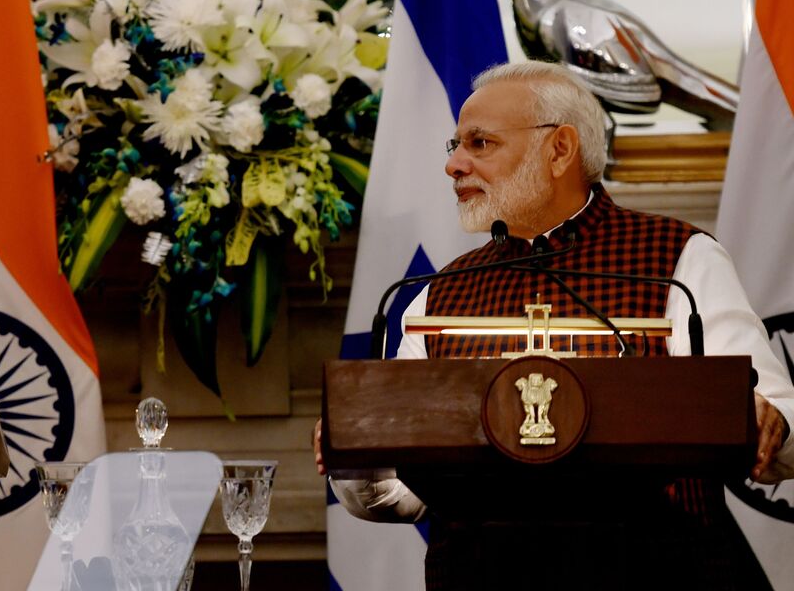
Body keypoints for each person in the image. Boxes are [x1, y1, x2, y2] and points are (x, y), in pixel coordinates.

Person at [315, 60, 794, 590]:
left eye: (479, 143)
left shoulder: (680, 261)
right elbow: (401, 495)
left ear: (560, 149)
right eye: (454, 146)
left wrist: (767, 421)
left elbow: (782, 425)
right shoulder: (441, 290)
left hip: (657, 571)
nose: (454, 165)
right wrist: (356, 451)